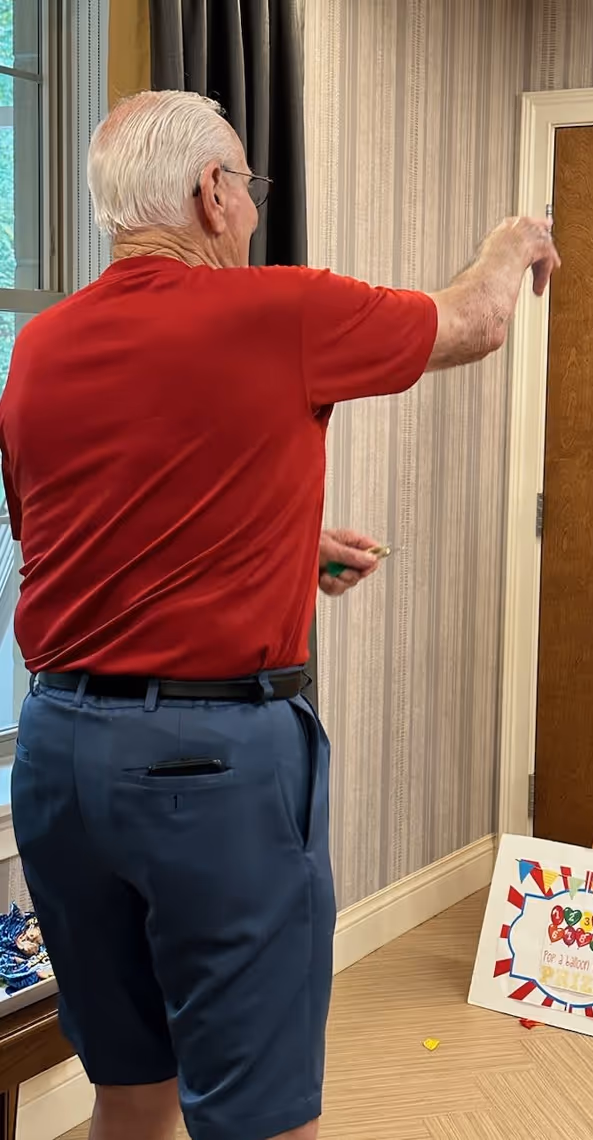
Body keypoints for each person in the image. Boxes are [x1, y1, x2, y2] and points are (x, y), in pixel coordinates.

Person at [0, 90, 559, 1140]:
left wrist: (288, 551)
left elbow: (83, 535)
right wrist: (514, 238)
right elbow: (477, 322)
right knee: (257, 1116)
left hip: (59, 758)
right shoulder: (277, 309)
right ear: (212, 194)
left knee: (128, 1087)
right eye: (247, 187)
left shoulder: (40, 349)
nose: (251, 208)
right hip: (211, 770)